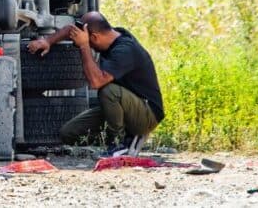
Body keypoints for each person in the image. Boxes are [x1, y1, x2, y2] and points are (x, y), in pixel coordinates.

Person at [27, 11, 164, 155]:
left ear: (94, 37)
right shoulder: (110, 34)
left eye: (90, 41)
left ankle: (119, 143)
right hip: (123, 107)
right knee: (68, 133)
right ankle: (114, 136)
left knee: (108, 90)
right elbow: (70, 30)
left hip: (147, 114)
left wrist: (84, 46)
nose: (91, 46)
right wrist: (47, 41)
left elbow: (96, 82)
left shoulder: (125, 50)